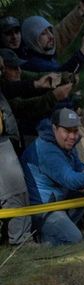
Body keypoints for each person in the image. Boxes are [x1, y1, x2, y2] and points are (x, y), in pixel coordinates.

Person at [21, 107, 84, 245]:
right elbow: (71, 180)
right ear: (54, 128)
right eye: (67, 131)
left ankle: (74, 229)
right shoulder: (47, 151)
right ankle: (47, 239)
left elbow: (78, 164)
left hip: (59, 199)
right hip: (43, 210)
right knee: (76, 240)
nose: (72, 136)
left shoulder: (66, 143)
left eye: (75, 131)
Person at [0, 64, 32, 245]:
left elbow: (10, 86)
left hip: (5, 138)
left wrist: (36, 84)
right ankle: (21, 242)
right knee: (14, 192)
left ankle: (22, 240)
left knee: (17, 193)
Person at [20, 15, 84, 74]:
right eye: (43, 33)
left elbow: (64, 32)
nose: (51, 36)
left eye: (50, 31)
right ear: (32, 39)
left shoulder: (45, 57)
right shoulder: (34, 63)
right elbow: (62, 74)